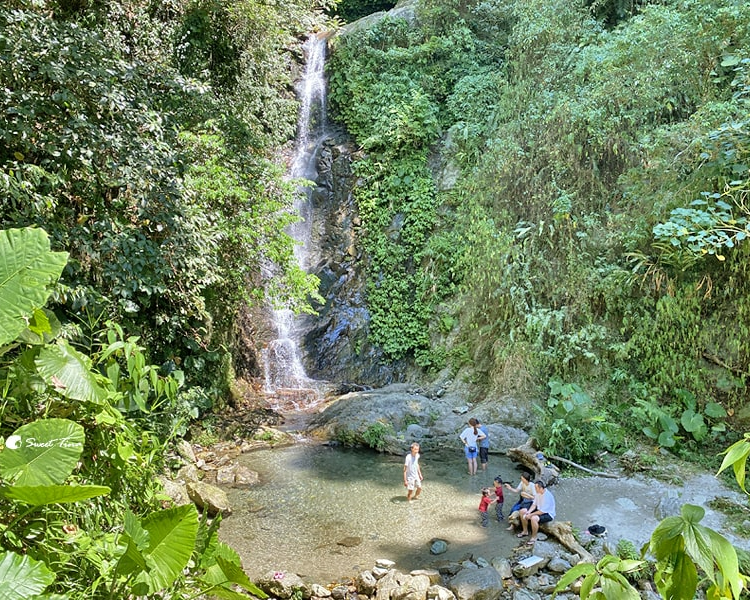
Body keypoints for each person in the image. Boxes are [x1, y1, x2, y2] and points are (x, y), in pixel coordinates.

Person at [517, 480, 556, 545]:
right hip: (539, 509)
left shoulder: (547, 496)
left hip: (548, 513)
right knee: (522, 511)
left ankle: (534, 537)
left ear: (541, 488)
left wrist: (531, 515)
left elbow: (542, 511)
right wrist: (528, 512)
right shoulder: (538, 493)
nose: (535, 490)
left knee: (534, 518)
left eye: (536, 488)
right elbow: (534, 504)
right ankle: (525, 531)